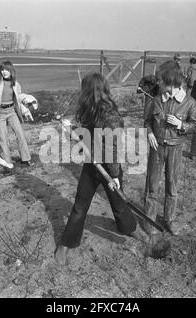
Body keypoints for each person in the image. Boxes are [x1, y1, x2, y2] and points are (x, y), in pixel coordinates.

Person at [54, 73, 149, 265]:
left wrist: (114, 176)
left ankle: (129, 228)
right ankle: (67, 242)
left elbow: (113, 149)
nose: (81, 93)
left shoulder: (111, 116)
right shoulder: (88, 110)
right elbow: (85, 136)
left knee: (120, 204)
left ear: (90, 91)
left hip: (109, 166)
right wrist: (70, 129)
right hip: (92, 165)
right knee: (80, 206)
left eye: (84, 89)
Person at [144, 61, 196, 236]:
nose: (158, 83)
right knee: (152, 185)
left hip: (175, 149)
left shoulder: (189, 102)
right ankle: (149, 220)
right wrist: (150, 133)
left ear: (170, 80)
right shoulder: (156, 100)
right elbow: (147, 121)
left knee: (171, 186)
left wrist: (181, 124)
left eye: (160, 80)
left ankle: (169, 220)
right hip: (157, 147)